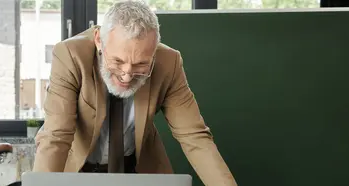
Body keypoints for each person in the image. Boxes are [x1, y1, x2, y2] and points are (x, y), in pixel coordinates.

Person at [32, 1, 237, 185]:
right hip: (77, 173)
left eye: (141, 64)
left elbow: (195, 137)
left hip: (139, 173)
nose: (127, 75)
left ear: (154, 51)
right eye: (118, 61)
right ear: (98, 41)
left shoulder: (169, 63)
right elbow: (56, 136)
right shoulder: (70, 55)